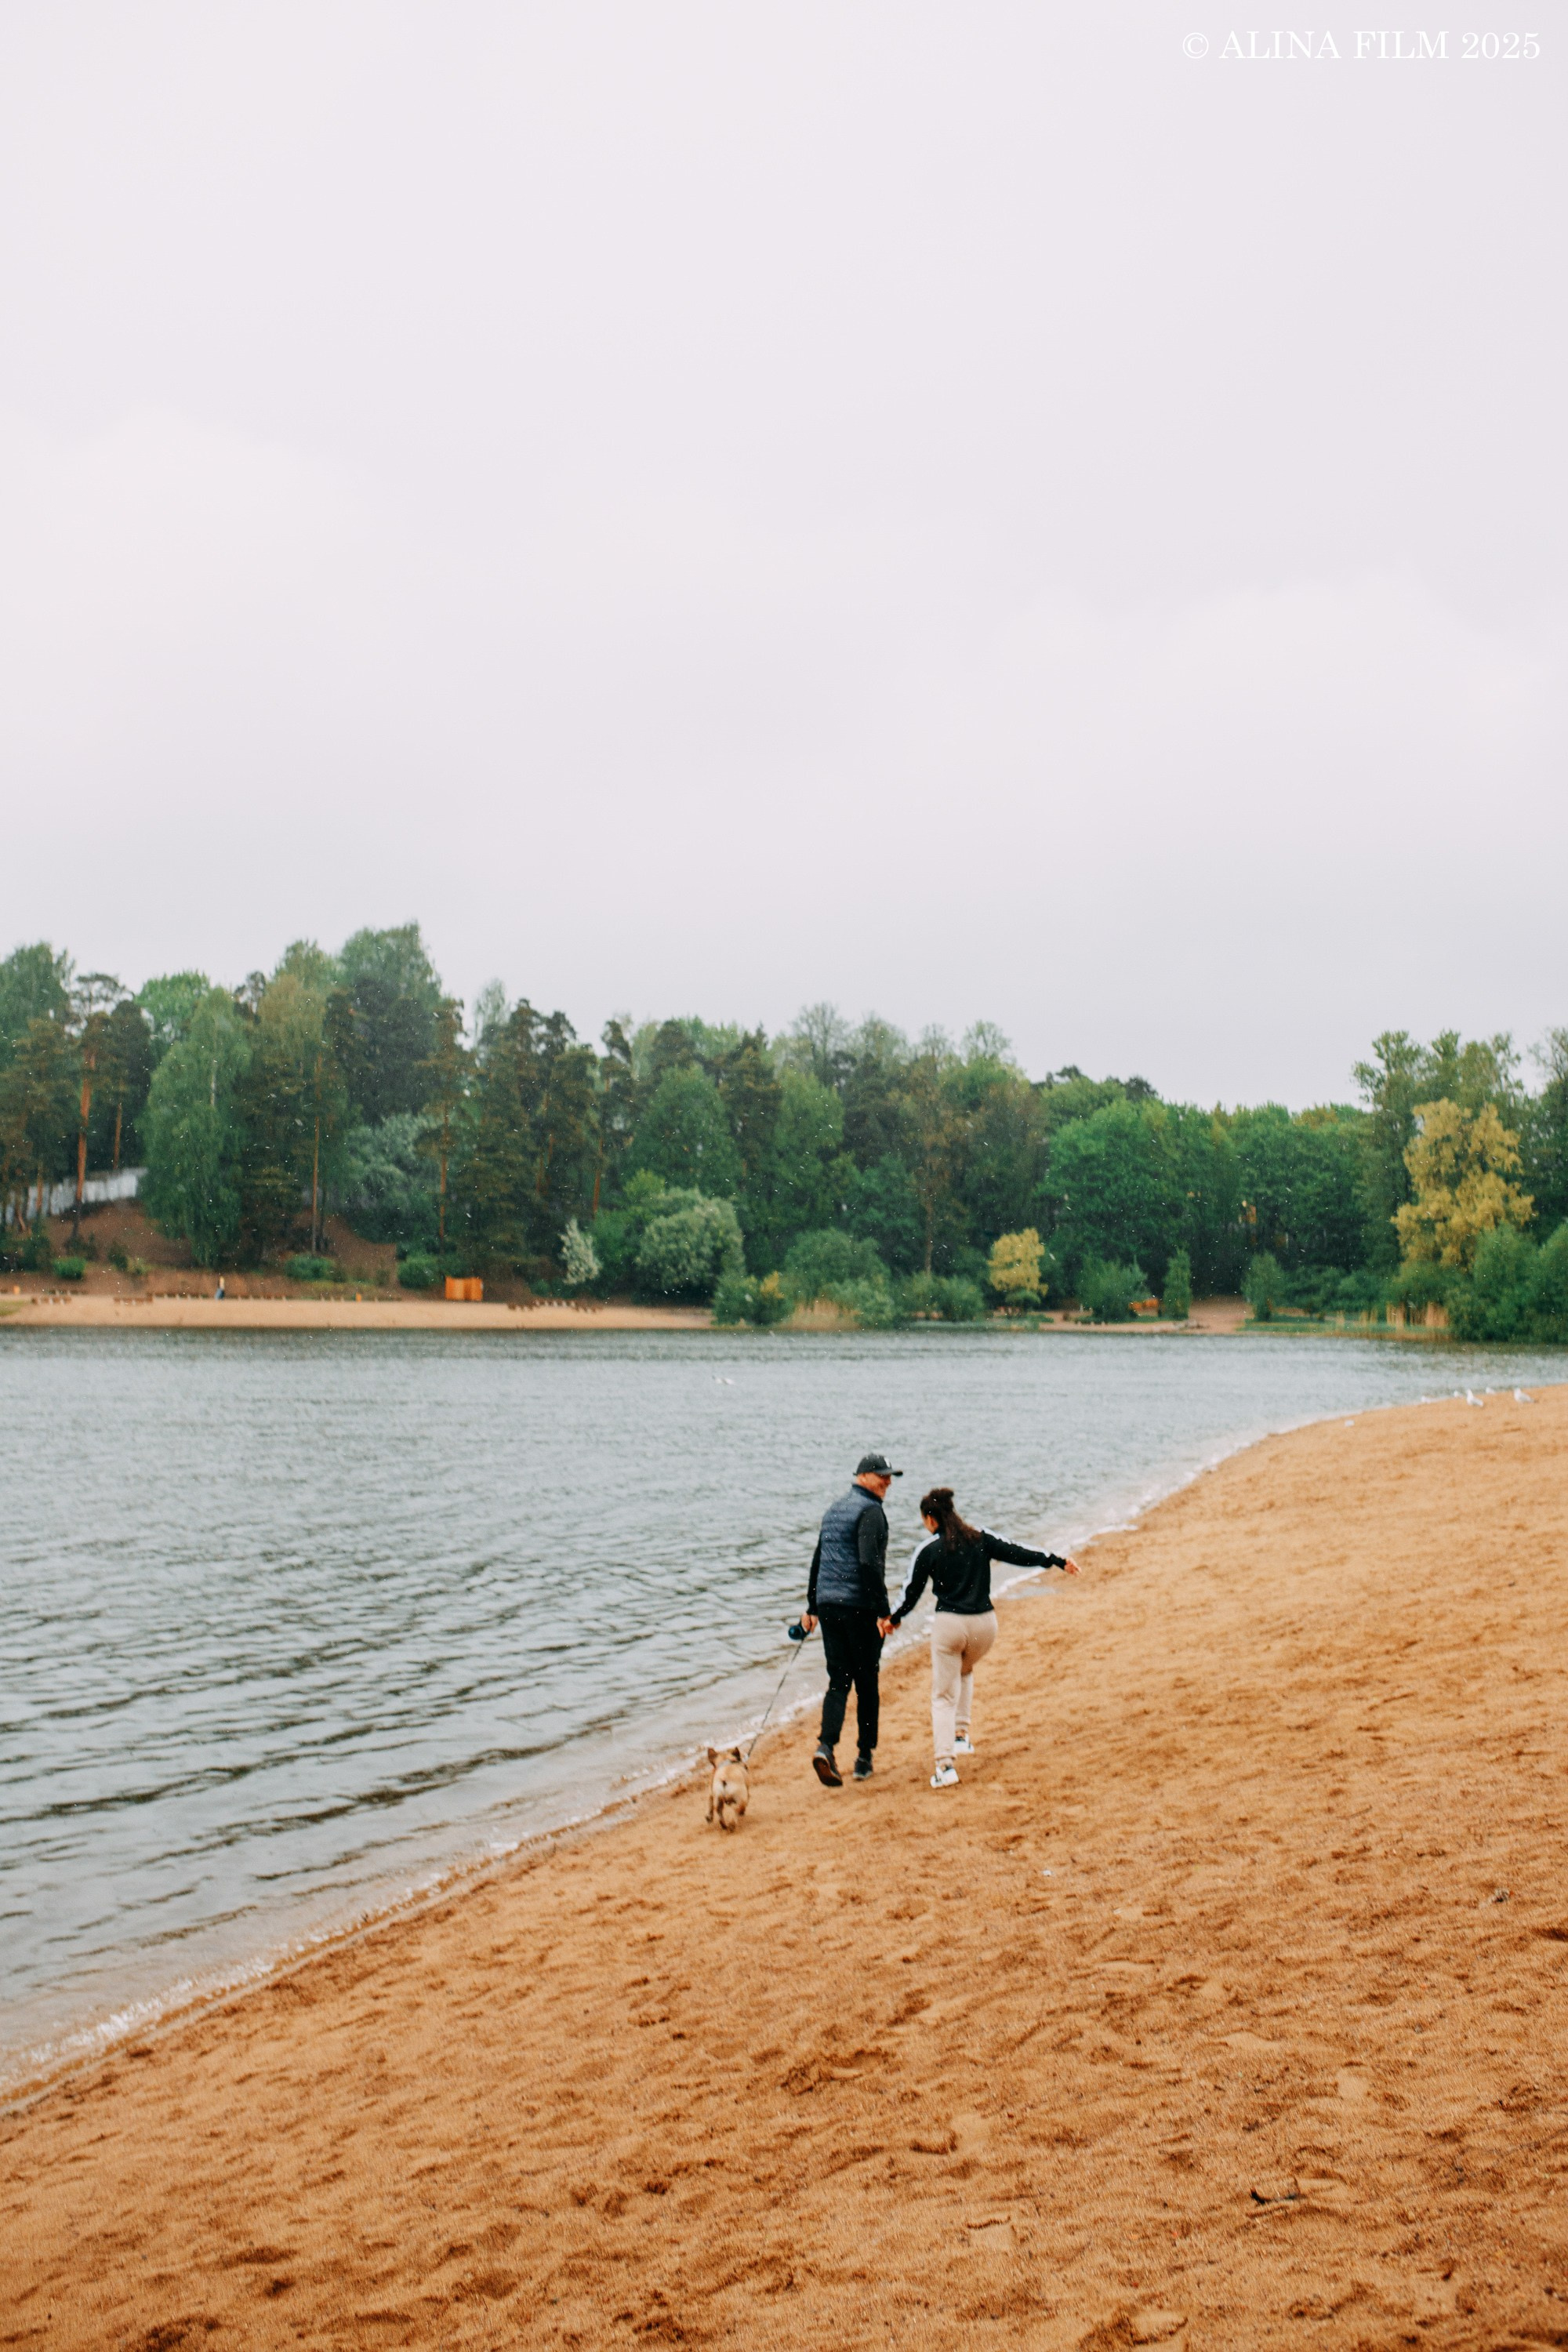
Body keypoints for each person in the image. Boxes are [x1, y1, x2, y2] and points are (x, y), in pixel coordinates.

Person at [891, 1485, 1080, 1788]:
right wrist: (1055, 1560)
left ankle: (945, 1766)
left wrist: (892, 1620)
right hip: (985, 1626)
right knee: (964, 1670)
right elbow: (1018, 1552)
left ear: (931, 1519)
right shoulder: (980, 1537)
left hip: (950, 1625)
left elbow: (910, 1593)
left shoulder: (927, 1550)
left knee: (942, 1696)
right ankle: (961, 1736)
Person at [799, 1451, 901, 1787]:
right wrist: (883, 1612)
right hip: (859, 1607)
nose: (887, 1481)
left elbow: (819, 1559)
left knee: (838, 1679)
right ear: (862, 1477)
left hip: (829, 1606)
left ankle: (825, 1747)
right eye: (881, 1475)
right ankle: (863, 1757)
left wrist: (813, 1607)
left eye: (889, 1476)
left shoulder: (834, 1510)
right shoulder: (870, 1511)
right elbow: (869, 1564)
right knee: (867, 1681)